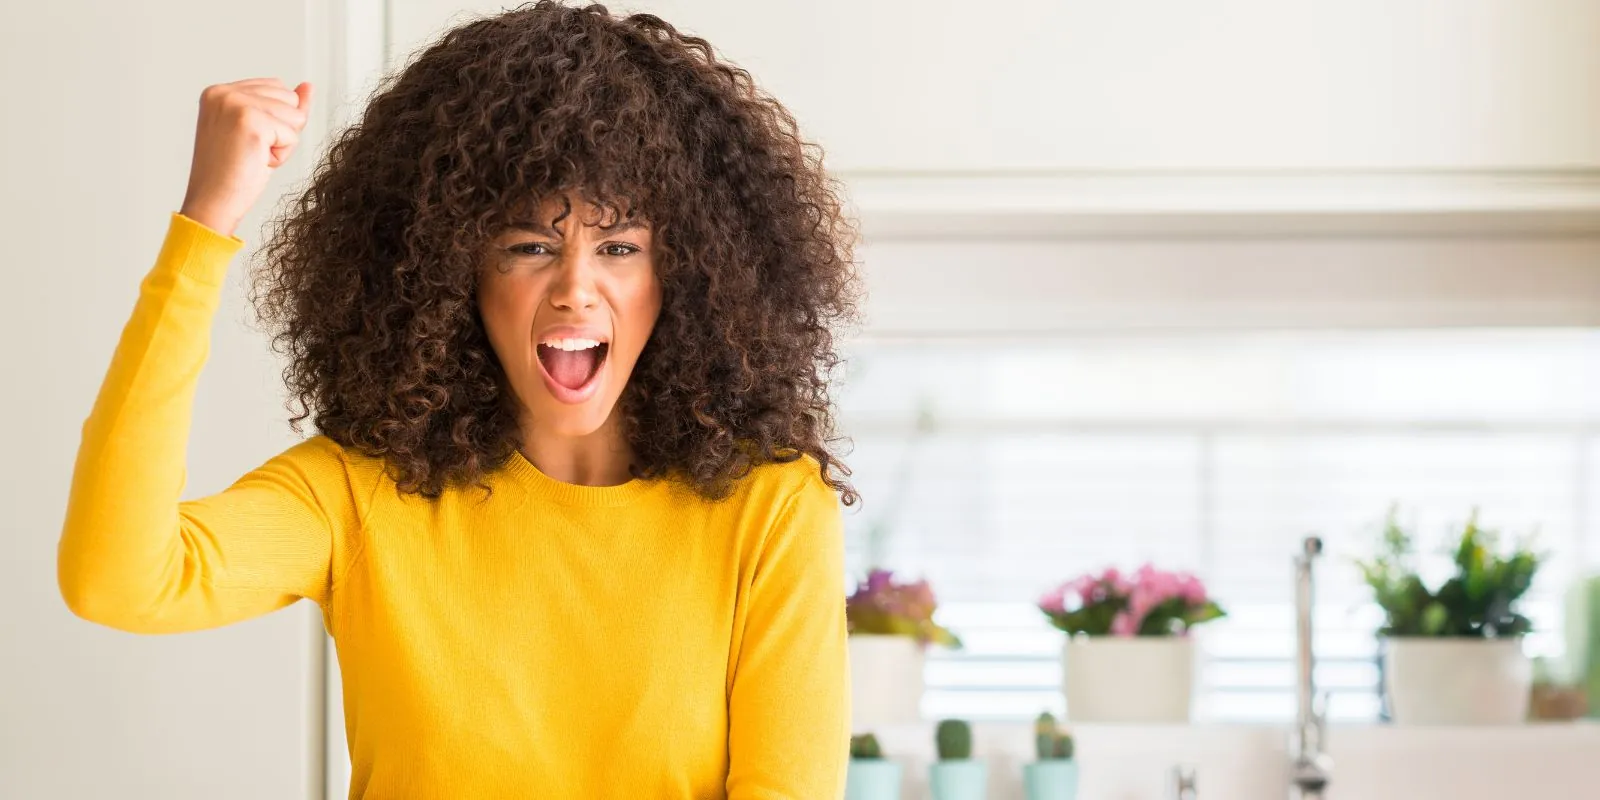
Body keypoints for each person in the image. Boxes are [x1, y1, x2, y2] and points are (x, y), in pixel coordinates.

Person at [57, 3, 860, 798]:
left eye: (619, 248)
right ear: (453, 276)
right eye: (529, 247)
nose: (576, 289)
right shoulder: (361, 492)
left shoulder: (773, 508)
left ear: (680, 278)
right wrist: (206, 225)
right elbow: (119, 580)